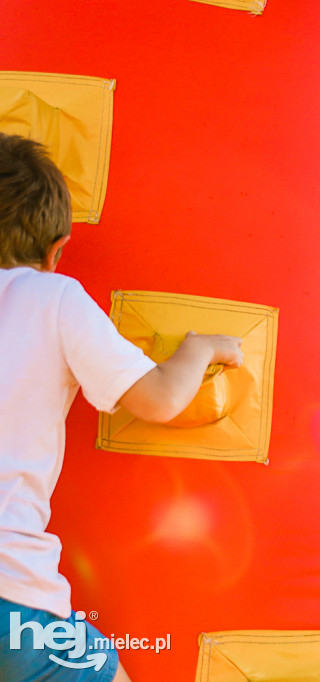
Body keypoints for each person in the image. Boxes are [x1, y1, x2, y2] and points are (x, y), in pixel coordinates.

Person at [0, 132, 244, 682]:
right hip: (10, 598)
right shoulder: (53, 298)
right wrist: (201, 347)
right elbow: (159, 399)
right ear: (55, 250)